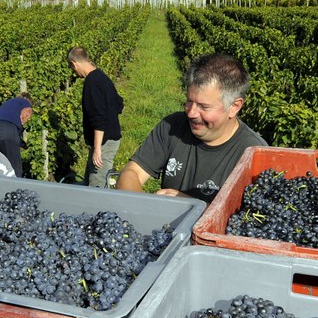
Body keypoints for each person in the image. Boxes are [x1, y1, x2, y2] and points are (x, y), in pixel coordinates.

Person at [117, 53, 266, 202]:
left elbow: (246, 220)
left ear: (234, 106)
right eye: (189, 101)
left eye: (204, 106)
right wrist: (144, 207)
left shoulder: (254, 154)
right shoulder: (173, 126)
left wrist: (191, 208)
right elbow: (131, 172)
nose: (191, 113)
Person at [68, 47, 123, 187]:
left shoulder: (91, 83)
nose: (74, 72)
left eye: (72, 68)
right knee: (90, 181)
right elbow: (119, 104)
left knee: (97, 187)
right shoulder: (102, 77)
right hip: (110, 138)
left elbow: (99, 118)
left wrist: (98, 148)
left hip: (104, 142)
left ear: (74, 63)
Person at [0, 95, 33, 177]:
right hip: (8, 131)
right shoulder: (26, 104)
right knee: (14, 168)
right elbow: (23, 117)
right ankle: (15, 188)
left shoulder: (8, 103)